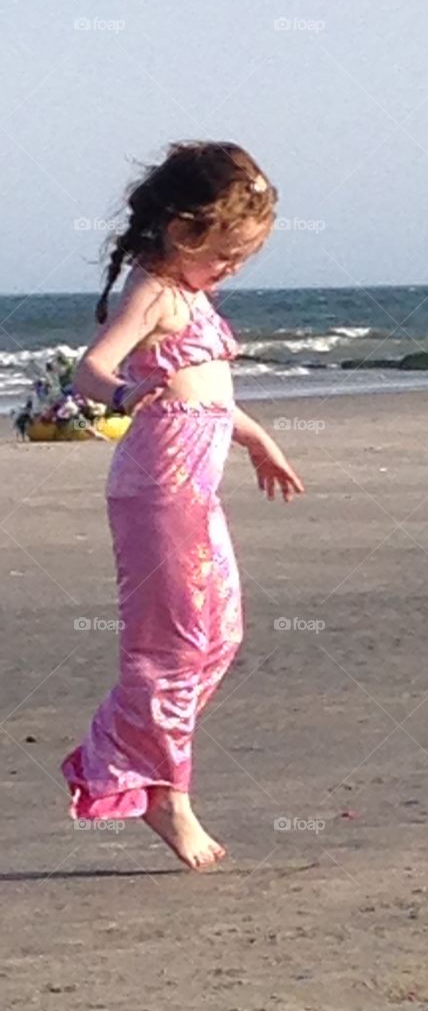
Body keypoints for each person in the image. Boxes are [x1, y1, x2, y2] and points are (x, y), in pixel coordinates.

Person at [61, 140, 305, 870]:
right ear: (181, 232)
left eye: (242, 260)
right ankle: (166, 795)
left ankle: (128, 755)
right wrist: (128, 394)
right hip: (159, 488)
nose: (230, 270)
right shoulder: (156, 291)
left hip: (196, 484)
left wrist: (258, 438)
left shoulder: (192, 295)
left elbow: (207, 394)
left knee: (220, 635)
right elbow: (92, 370)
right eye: (225, 255)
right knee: (172, 647)